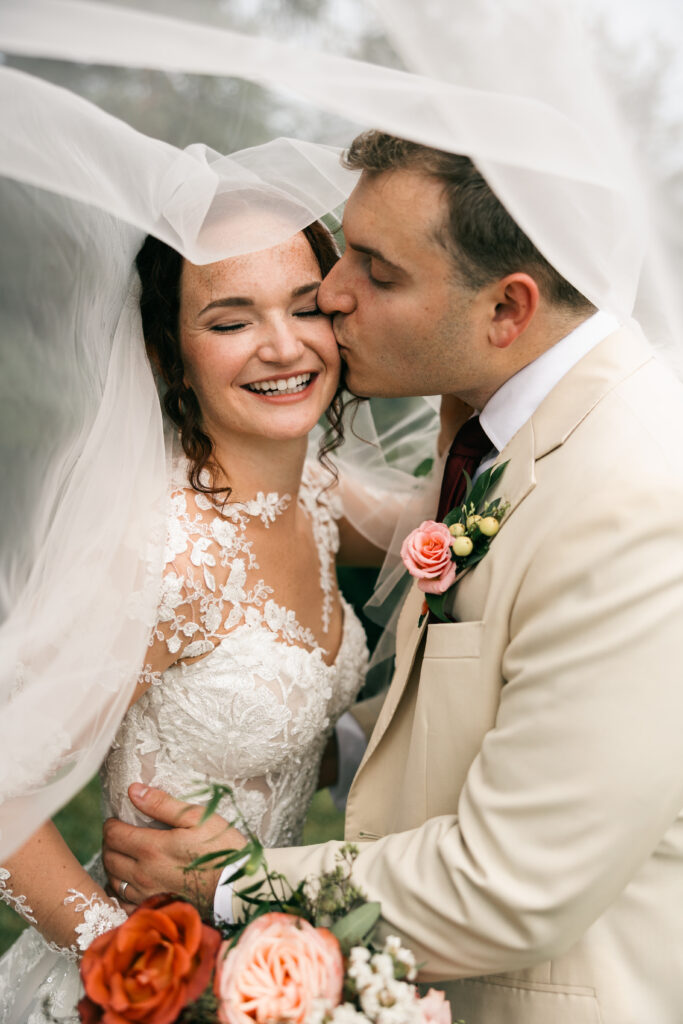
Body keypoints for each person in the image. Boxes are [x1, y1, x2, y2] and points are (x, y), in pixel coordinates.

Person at [106, 133, 683, 1024]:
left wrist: (230, 886)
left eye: (373, 271)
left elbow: (511, 883)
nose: (330, 300)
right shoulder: (499, 426)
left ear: (506, 310)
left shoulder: (634, 501)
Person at [0, 219, 376, 1021]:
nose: (283, 347)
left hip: (272, 960)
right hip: (156, 985)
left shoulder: (317, 491)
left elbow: (451, 507)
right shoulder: (164, 556)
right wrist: (137, 969)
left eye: (307, 308)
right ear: (168, 354)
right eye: (232, 321)